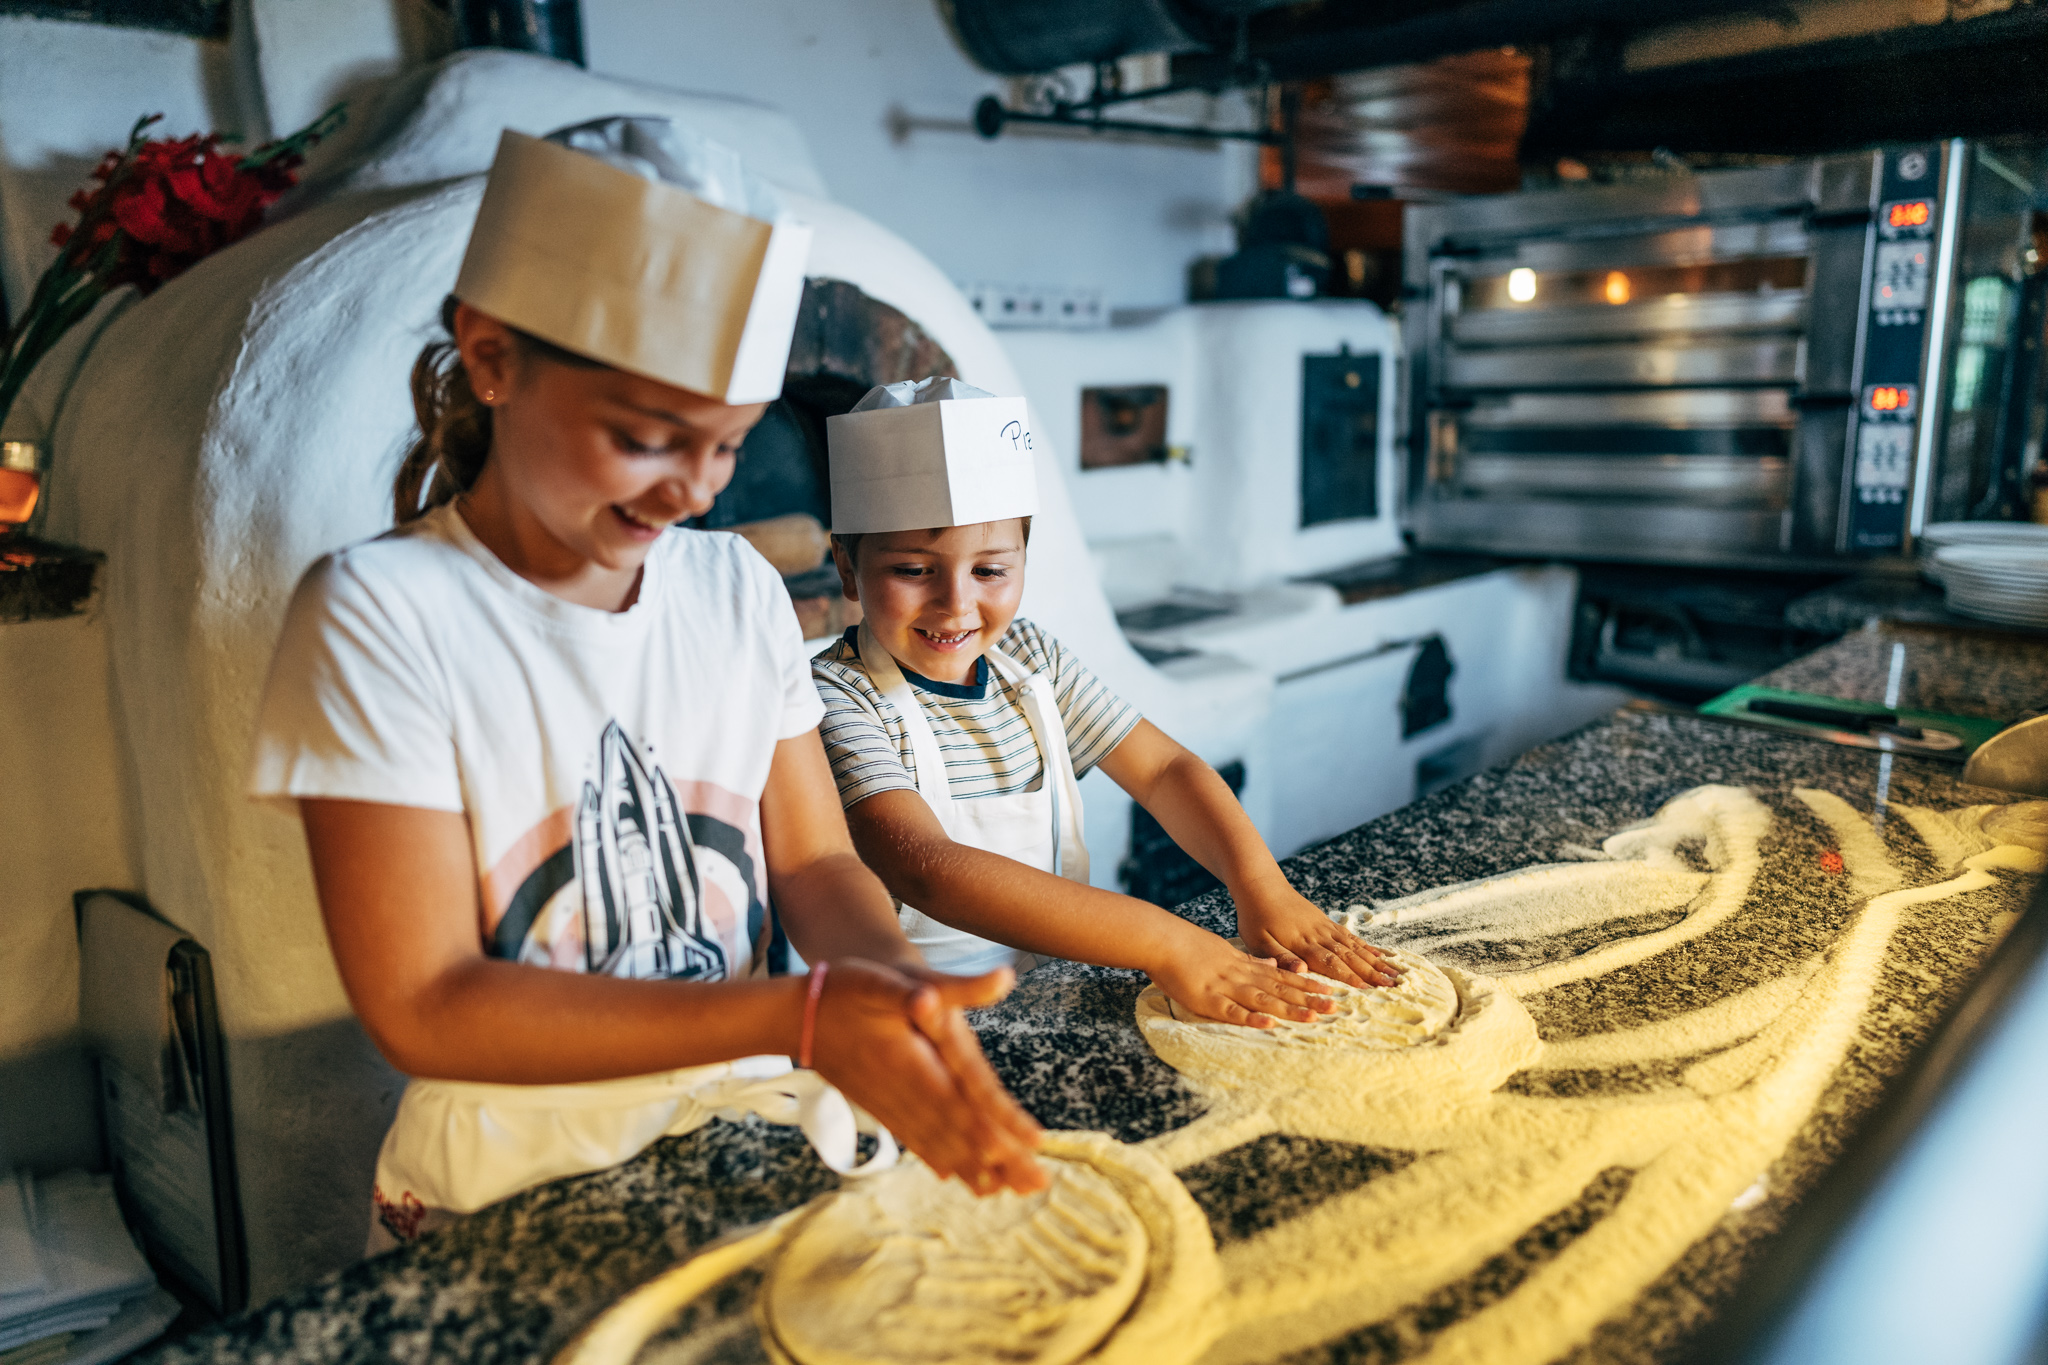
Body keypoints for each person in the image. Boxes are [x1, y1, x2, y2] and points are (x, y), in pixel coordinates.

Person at [249, 122, 1043, 1253]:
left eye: (724, 447)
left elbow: (813, 862)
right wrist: (802, 1015)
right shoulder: (384, 616)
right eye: (644, 438)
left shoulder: (730, 588)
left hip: (736, 1147)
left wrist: (894, 1000)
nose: (692, 491)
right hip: (508, 1191)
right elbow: (423, 1002)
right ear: (491, 358)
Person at [811, 376, 1399, 1028]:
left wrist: (1261, 886)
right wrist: (1169, 942)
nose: (956, 603)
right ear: (846, 566)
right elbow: (928, 869)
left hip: (1058, 994)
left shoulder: (1031, 661)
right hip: (920, 1024)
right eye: (914, 570)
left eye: (990, 570)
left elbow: (1163, 769)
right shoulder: (836, 697)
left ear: (1024, 559)